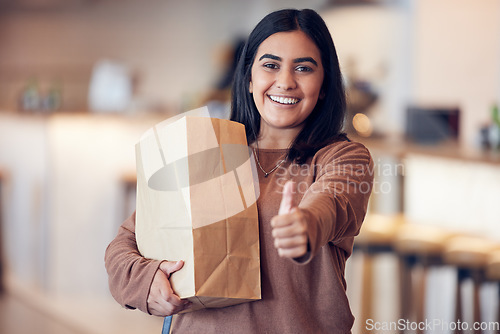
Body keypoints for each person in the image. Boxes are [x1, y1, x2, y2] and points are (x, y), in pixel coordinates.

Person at [105, 8, 373, 334]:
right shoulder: (208, 150)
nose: (285, 82)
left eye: (303, 68)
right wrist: (146, 284)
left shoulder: (343, 157)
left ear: (325, 85)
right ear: (249, 78)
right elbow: (123, 246)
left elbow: (333, 201)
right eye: (271, 65)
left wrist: (306, 224)